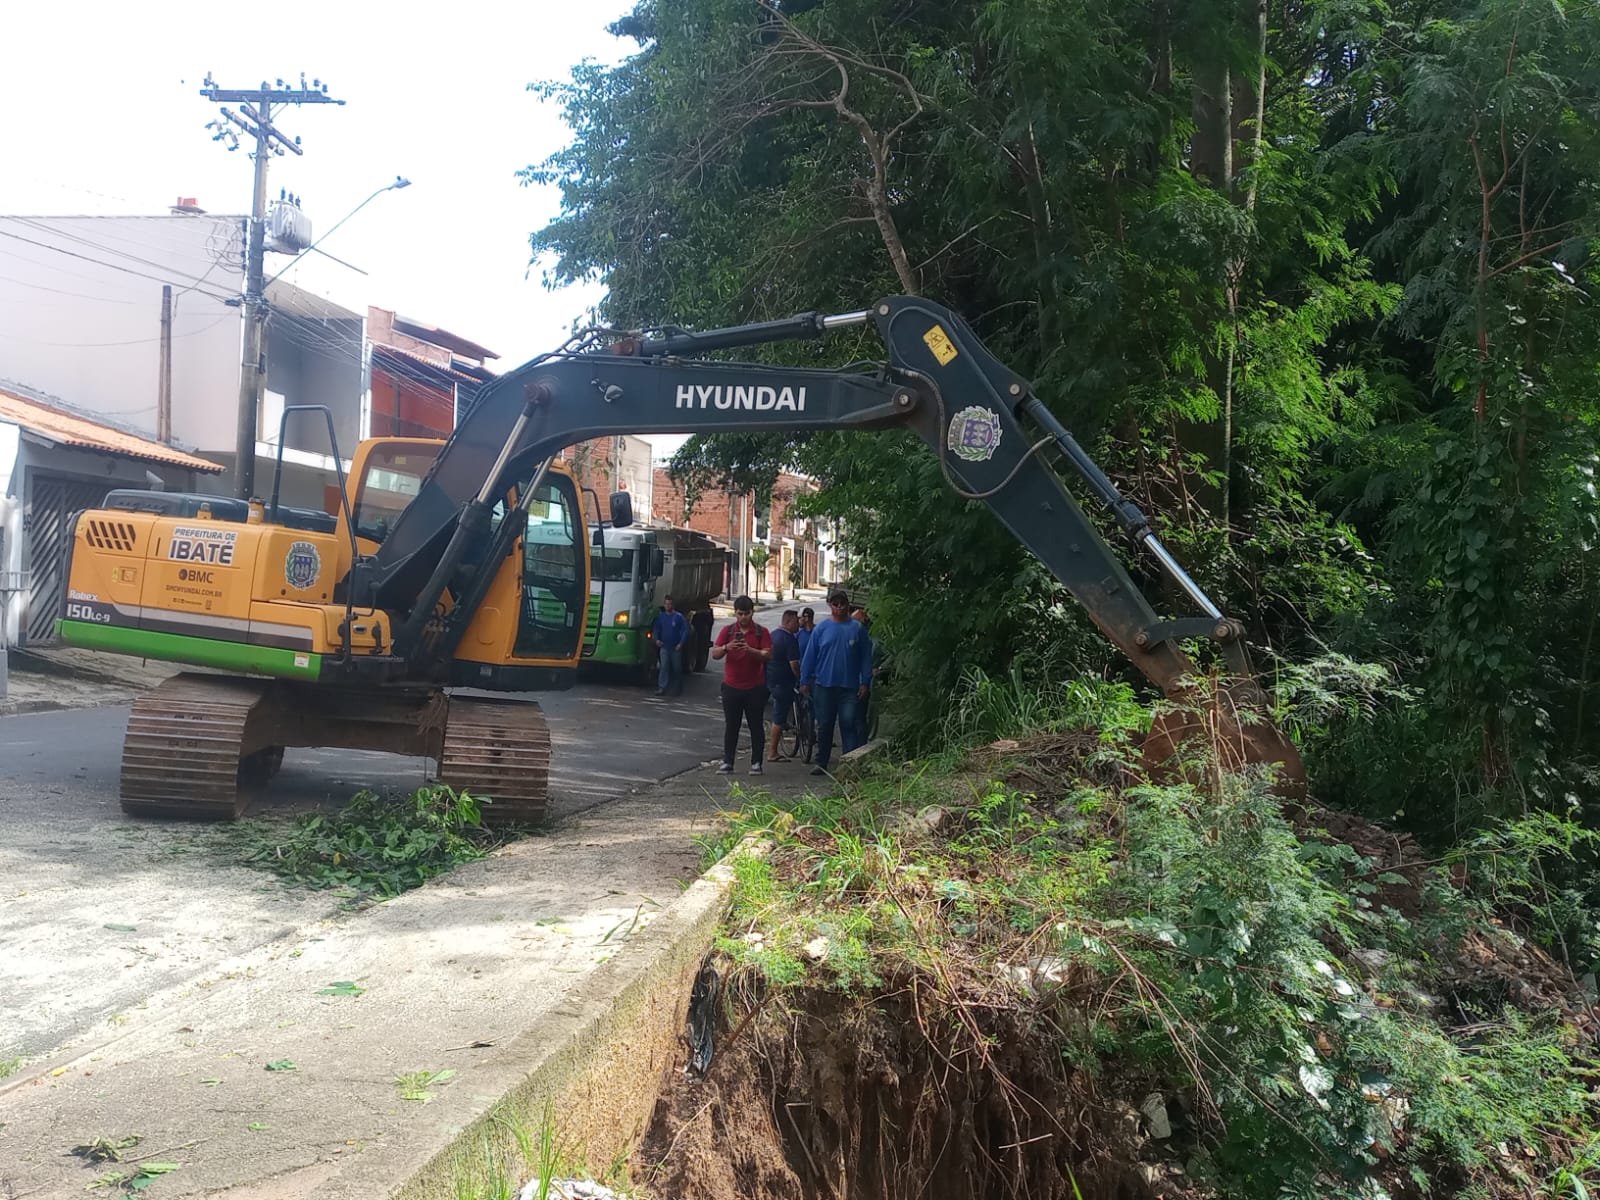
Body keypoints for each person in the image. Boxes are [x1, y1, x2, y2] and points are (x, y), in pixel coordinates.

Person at [798, 589, 872, 776]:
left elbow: (866, 658)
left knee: (848, 722)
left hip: (850, 686)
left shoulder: (858, 629)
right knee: (825, 724)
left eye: (842, 604)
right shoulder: (821, 629)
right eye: (835, 604)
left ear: (848, 605)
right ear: (830, 605)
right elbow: (810, 657)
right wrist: (805, 680)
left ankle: (849, 763)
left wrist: (865, 682)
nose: (839, 607)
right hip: (824, 685)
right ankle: (821, 761)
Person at [711, 595, 772, 774]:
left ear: (752, 613)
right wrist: (726, 648)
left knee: (756, 725)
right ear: (735, 613)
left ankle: (756, 763)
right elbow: (715, 653)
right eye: (740, 614)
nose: (743, 617)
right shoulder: (728, 631)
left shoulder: (761, 632)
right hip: (731, 686)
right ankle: (728, 761)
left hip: (755, 687)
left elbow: (768, 654)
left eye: (747, 613)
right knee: (732, 725)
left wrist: (750, 650)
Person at [766, 610, 803, 763]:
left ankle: (785, 725)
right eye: (796, 622)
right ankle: (772, 752)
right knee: (779, 716)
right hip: (783, 681)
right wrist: (801, 678)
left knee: (780, 710)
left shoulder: (773, 635)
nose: (798, 625)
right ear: (788, 622)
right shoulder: (790, 639)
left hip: (771, 679)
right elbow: (794, 665)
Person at [651, 596, 689, 696]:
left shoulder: (678, 617)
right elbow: (656, 629)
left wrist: (681, 643)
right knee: (664, 666)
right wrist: (657, 639)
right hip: (664, 647)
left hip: (676, 647)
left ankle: (678, 688)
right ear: (664, 605)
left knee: (677, 668)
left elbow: (685, 631)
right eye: (666, 604)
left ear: (673, 605)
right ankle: (662, 687)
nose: (668, 606)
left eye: (670, 604)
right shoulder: (661, 617)